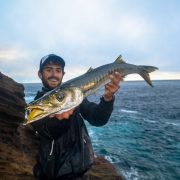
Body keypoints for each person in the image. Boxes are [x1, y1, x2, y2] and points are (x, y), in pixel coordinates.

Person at [32, 54, 121, 180]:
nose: (54, 74)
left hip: (81, 173)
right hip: (52, 175)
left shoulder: (73, 96)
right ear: (40, 74)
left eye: (58, 70)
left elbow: (97, 119)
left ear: (63, 74)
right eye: (48, 69)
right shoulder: (38, 105)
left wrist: (107, 99)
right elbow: (48, 131)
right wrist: (61, 118)